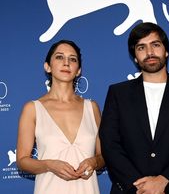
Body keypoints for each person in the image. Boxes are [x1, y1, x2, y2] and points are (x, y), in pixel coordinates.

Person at [99, 22, 169, 194]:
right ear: (135, 56)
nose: (149, 52)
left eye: (155, 45)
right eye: (141, 47)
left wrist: (164, 180)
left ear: (166, 51)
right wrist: (140, 186)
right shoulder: (118, 93)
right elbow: (110, 143)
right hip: (130, 190)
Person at [16, 40, 104, 194]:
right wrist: (49, 165)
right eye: (59, 57)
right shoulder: (32, 109)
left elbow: (104, 156)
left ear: (78, 70)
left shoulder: (92, 108)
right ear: (47, 66)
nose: (66, 63)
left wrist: (94, 162)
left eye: (73, 59)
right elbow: (22, 161)